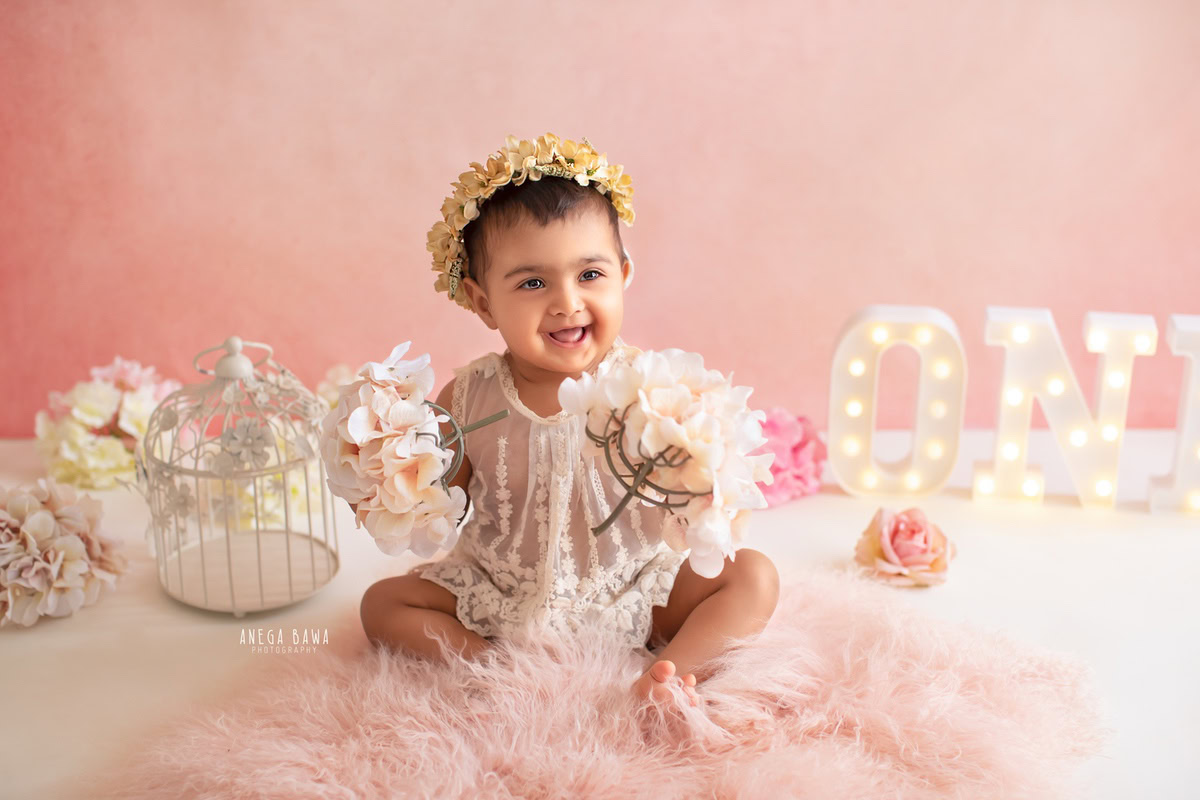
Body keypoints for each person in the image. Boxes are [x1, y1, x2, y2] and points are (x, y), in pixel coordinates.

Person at [359, 133, 780, 709]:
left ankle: (667, 676)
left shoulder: (648, 389)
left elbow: (687, 498)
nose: (566, 302)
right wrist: (391, 475)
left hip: (629, 590)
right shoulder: (468, 395)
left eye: (589, 275)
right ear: (482, 303)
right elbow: (439, 503)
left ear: (624, 273)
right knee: (383, 605)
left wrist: (700, 477)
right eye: (533, 283)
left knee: (751, 576)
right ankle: (497, 672)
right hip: (500, 594)